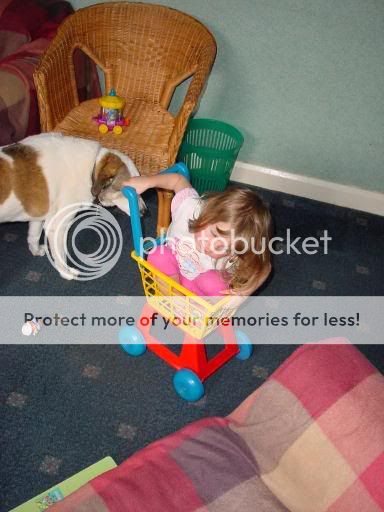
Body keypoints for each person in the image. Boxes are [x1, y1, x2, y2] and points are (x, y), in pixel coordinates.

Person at [123, 173, 272, 298]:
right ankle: (176, 302)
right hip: (171, 275)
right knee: (158, 254)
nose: (210, 246)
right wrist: (149, 181)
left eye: (224, 248)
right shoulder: (191, 208)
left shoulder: (237, 252)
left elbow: (264, 267)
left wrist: (245, 293)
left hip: (198, 294)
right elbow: (178, 180)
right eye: (213, 234)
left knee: (213, 282)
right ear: (208, 212)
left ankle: (193, 312)